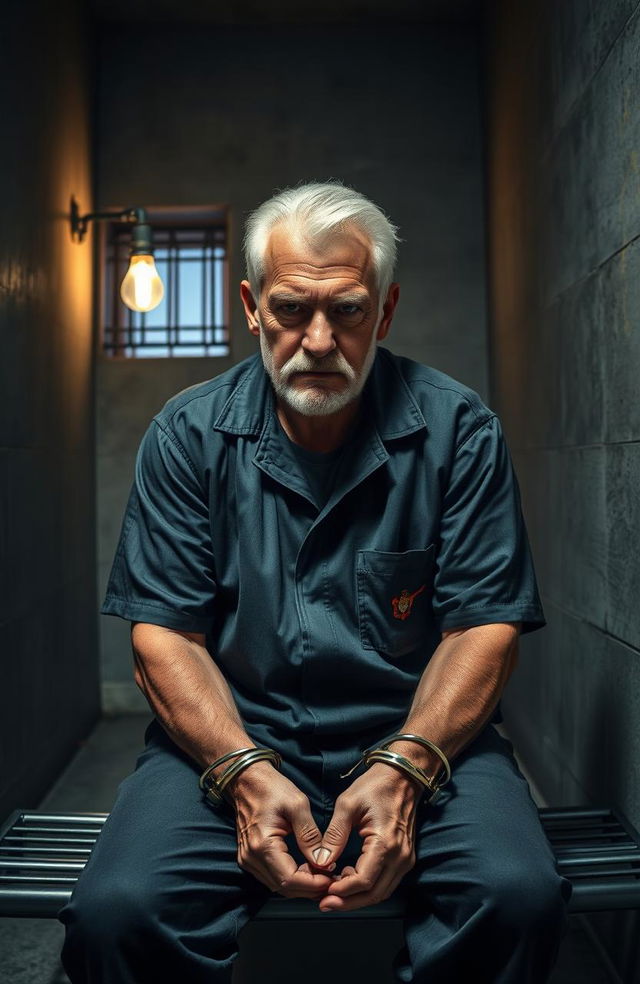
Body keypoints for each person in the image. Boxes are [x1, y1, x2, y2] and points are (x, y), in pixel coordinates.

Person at [59, 181, 572, 983]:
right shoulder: (186, 435)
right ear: (252, 306)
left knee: (518, 895)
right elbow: (164, 635)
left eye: (350, 310)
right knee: (118, 909)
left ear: (387, 311)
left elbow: (484, 627)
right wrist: (242, 770)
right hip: (225, 741)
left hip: (425, 739)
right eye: (293, 308)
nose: (320, 338)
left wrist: (407, 765)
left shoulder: (458, 429)